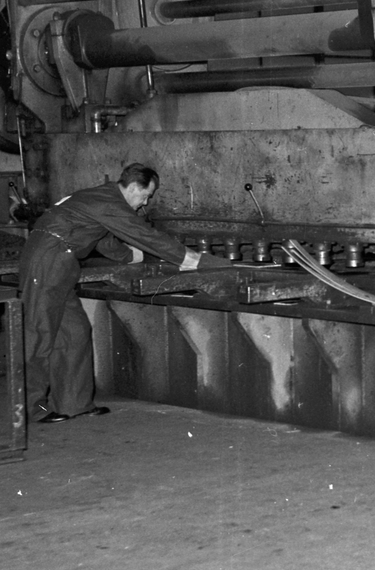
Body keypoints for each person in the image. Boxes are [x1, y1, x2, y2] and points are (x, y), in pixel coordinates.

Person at [20, 163, 228, 423]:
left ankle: (74, 404)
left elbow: (103, 240)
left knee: (75, 332)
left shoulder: (102, 199)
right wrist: (195, 260)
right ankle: (30, 408)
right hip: (47, 261)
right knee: (39, 333)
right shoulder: (109, 203)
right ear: (132, 187)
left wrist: (133, 257)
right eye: (145, 196)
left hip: (60, 262)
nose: (145, 203)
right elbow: (144, 235)